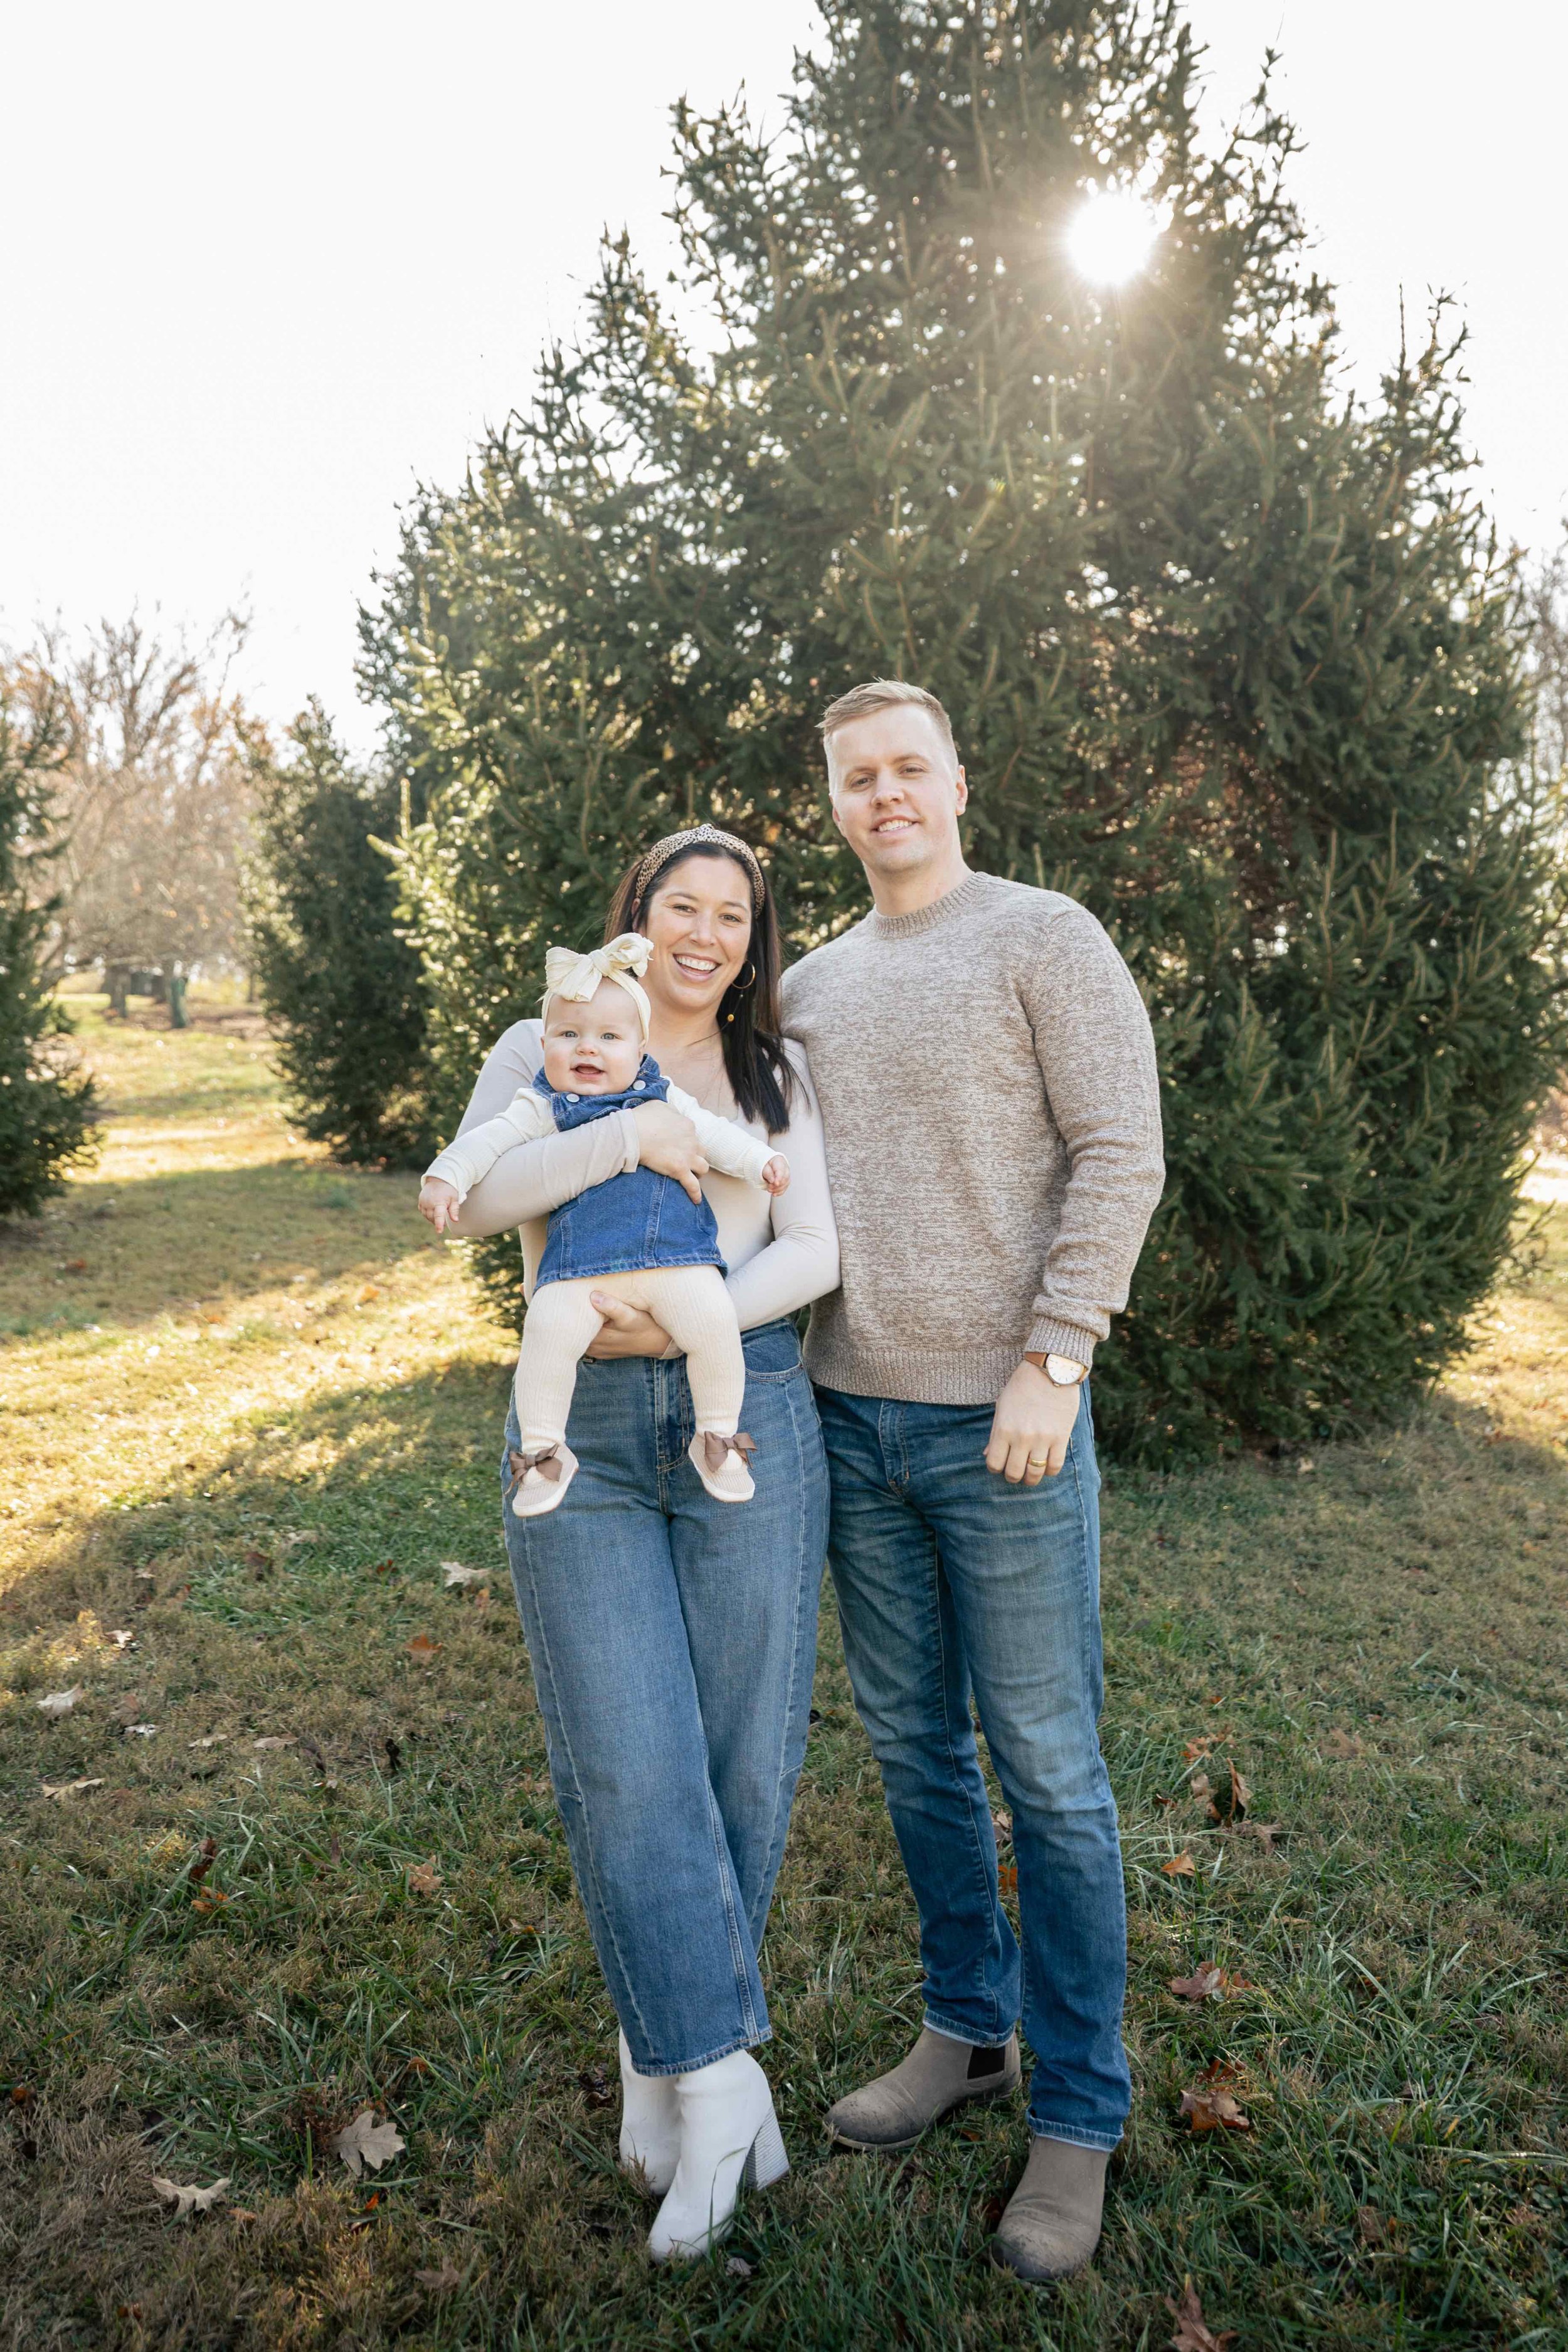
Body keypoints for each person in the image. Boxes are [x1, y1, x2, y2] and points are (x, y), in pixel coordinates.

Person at [781, 681, 1164, 2285]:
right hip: (847, 1422)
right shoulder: (805, 986)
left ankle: (1077, 2109)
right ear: (835, 803)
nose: (884, 793)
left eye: (907, 768)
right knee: (916, 1752)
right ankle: (967, 2030)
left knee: (1049, 1773)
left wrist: (1054, 1356)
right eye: (855, 776)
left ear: (956, 782)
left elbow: (1120, 1149)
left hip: (1002, 1428)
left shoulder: (1042, 937)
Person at [430, 824, 837, 2262]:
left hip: (744, 1407)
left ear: (751, 939)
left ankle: (666, 2051)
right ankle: (716, 2079)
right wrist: (625, 1134)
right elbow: (477, 1203)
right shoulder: (543, 1040)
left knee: (739, 1759)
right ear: (638, 916)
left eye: (732, 913)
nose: (704, 933)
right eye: (682, 905)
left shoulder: (773, 1072)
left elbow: (816, 1246)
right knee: (621, 1752)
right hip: (581, 1433)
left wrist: (683, 1316)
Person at [418, 934, 790, 1510]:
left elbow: (713, 1135)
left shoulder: (664, 1097)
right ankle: (542, 1453)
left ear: (641, 1050)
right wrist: (445, 1177)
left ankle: (718, 1437)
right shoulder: (541, 1107)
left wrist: (759, 1161)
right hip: (579, 1271)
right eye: (569, 1035)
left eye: (609, 1038)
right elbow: (484, 1143)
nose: (587, 1048)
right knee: (546, 1336)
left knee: (714, 1323)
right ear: (545, 1043)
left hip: (675, 1262)